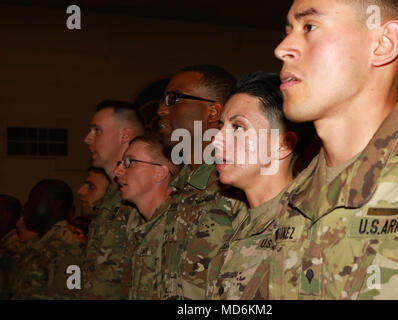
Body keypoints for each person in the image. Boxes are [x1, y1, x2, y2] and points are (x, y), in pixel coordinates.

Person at [266, 0, 398, 299]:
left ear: (383, 44)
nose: (282, 48)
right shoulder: (294, 195)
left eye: (309, 26)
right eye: (288, 30)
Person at [206, 71, 316, 299]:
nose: (216, 140)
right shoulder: (243, 221)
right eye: (221, 126)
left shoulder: (306, 230)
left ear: (283, 144)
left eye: (237, 127)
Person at [157, 65, 244, 299]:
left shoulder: (235, 186)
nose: (161, 110)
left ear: (213, 112)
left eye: (173, 99)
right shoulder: (183, 185)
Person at [80, 100, 145, 299]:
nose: (87, 139)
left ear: (124, 135)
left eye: (96, 130)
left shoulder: (141, 192)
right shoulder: (110, 195)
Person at [114, 131, 180, 299]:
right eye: (120, 163)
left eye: (129, 162)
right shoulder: (136, 226)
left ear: (160, 172)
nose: (118, 172)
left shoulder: (179, 229)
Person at [9, 179, 85, 300]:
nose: (26, 206)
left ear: (55, 204)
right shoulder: (38, 244)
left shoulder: (68, 248)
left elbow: (68, 295)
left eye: (32, 200)